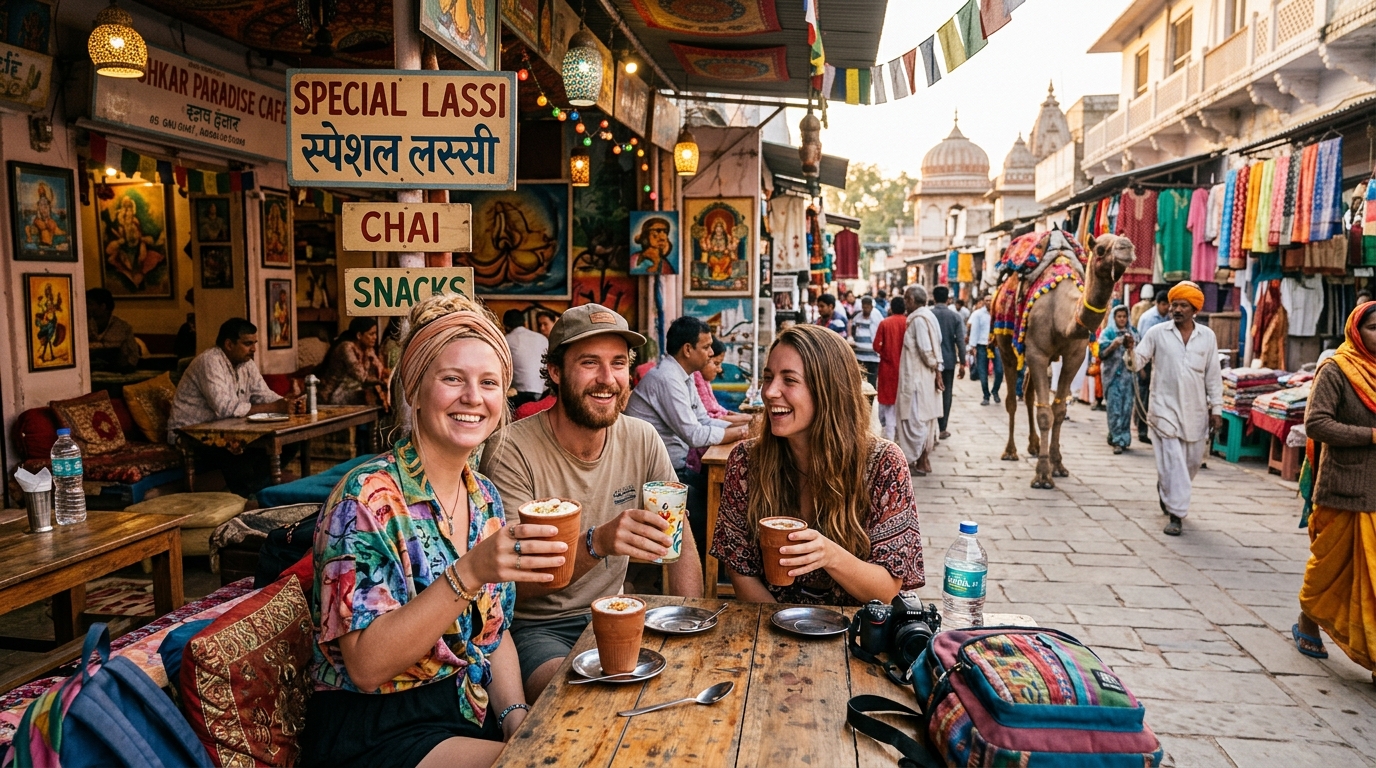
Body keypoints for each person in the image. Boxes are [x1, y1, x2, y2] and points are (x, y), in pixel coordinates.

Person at [302, 293, 554, 768]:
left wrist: (516, 718)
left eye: (489, 382)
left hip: (461, 709)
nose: (473, 398)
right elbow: (366, 666)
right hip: (376, 726)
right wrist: (469, 572)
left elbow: (492, 636)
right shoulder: (368, 498)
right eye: (451, 379)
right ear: (414, 390)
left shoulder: (483, 496)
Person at [481, 304, 703, 703]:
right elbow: (509, 586)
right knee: (580, 700)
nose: (607, 379)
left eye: (618, 363)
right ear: (555, 371)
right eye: (589, 363)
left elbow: (679, 534)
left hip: (618, 612)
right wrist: (596, 542)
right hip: (538, 630)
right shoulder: (510, 450)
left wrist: (687, 619)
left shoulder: (641, 438)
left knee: (684, 686)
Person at [709, 324, 924, 605]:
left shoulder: (883, 464)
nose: (771, 392)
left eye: (789, 380)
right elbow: (740, 569)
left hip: (854, 637)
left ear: (828, 390)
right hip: (770, 629)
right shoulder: (746, 461)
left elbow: (886, 591)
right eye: (768, 377)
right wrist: (785, 625)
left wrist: (830, 555)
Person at [1293, 301, 1376, 679]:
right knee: (1330, 570)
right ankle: (1308, 621)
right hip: (1344, 486)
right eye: (1374, 328)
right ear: (1357, 330)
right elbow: (1317, 424)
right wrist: (1371, 436)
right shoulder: (1337, 369)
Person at [627, 316, 751, 551]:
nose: (710, 352)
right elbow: (694, 435)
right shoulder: (667, 379)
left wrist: (741, 430)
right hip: (655, 477)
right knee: (714, 510)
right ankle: (706, 573)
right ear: (687, 349)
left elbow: (703, 419)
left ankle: (719, 570)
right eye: (705, 347)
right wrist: (740, 432)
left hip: (676, 467)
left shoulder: (683, 376)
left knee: (729, 496)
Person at [1128, 282, 1222, 536]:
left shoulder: (1208, 337)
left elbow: (1213, 376)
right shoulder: (1157, 332)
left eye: (1183, 305)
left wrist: (1217, 410)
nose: (1177, 309)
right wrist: (1129, 350)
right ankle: (1176, 514)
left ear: (1195, 310)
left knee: (1190, 463)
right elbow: (1136, 363)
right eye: (1174, 304)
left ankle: (1167, 488)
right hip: (1163, 409)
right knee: (1174, 461)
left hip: (1195, 411)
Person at [167, 318, 295, 497]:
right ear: (228, 344)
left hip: (225, 428)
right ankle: (252, 493)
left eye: (254, 343)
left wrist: (289, 403)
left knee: (291, 441)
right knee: (236, 453)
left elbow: (263, 394)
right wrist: (275, 406)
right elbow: (225, 408)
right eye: (248, 344)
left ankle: (253, 490)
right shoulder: (209, 361)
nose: (254, 349)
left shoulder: (246, 363)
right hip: (190, 434)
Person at [896, 285, 943, 476]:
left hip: (917, 380)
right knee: (921, 420)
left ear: (913, 301)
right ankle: (922, 460)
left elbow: (926, 350)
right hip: (922, 377)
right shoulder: (927, 316)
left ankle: (921, 460)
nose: (905, 302)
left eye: (906, 298)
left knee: (916, 421)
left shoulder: (918, 320)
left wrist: (936, 367)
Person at [319, 318, 387, 406]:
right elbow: (362, 376)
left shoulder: (368, 349)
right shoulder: (346, 348)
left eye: (375, 334)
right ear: (359, 335)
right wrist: (381, 381)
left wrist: (385, 376)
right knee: (372, 395)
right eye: (371, 334)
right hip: (333, 394)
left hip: (349, 392)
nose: (375, 337)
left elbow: (380, 369)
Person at [1100, 305, 1140, 454]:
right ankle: (1117, 440)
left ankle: (1122, 437)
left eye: (1124, 316)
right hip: (1113, 377)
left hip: (1128, 377)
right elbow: (1101, 354)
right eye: (1119, 317)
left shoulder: (1133, 332)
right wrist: (1113, 345)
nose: (1122, 319)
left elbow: (1140, 352)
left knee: (1126, 409)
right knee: (1114, 409)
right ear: (1114, 318)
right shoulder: (1108, 332)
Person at [1134, 290, 1172, 443]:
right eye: (1164, 305)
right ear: (1158, 303)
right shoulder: (1149, 318)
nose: (1167, 308)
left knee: (1156, 396)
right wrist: (1141, 368)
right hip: (1147, 360)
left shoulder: (1168, 317)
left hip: (1162, 360)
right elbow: (1142, 345)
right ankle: (1141, 430)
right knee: (1143, 395)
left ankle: (1153, 429)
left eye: (1168, 305)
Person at [930, 286, 966, 439]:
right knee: (946, 393)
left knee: (931, 393)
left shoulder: (929, 314)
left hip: (930, 361)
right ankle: (942, 427)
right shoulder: (955, 316)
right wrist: (963, 362)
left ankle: (931, 428)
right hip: (949, 360)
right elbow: (960, 341)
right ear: (947, 299)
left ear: (934, 297)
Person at [872, 295, 908, 440]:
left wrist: (886, 352)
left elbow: (876, 346)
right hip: (905, 370)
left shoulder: (885, 323)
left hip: (887, 369)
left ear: (891, 308)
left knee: (888, 408)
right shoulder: (908, 323)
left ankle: (889, 440)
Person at [503, 309, 549, 411]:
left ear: (506, 327)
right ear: (525, 323)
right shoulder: (542, 338)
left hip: (520, 396)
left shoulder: (507, 340)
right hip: (545, 394)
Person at [85, 288, 140, 373]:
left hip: (117, 371)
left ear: (103, 306)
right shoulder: (83, 325)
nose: (86, 307)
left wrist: (127, 369)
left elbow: (133, 354)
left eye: (90, 304)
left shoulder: (122, 327)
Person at [966, 295, 1001, 406]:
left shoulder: (999, 313)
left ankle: (995, 391)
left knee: (999, 371)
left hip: (996, 345)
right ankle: (986, 395)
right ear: (983, 302)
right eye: (986, 300)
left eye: (991, 300)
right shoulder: (978, 314)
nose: (989, 302)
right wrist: (972, 346)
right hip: (982, 345)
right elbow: (974, 330)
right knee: (982, 372)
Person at [848, 296, 885, 387]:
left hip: (873, 357)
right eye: (864, 307)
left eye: (867, 307)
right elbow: (852, 329)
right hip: (859, 356)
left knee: (871, 383)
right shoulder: (857, 318)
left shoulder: (877, 317)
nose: (865, 309)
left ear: (871, 307)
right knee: (860, 382)